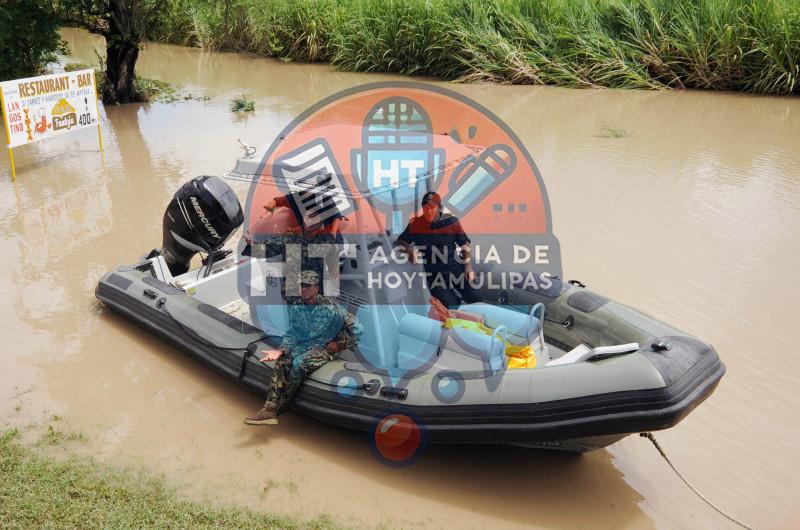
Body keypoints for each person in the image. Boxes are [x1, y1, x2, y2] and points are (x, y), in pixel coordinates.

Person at [244, 270, 362, 426]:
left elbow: (358, 328)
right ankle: (269, 408)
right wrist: (282, 349)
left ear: (316, 288)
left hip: (326, 347)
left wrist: (340, 345)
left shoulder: (330, 307)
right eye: (301, 286)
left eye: (307, 286)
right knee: (282, 360)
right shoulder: (298, 306)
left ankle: (285, 402)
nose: (303, 289)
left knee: (299, 363)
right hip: (306, 343)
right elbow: (293, 332)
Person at [396, 191, 482, 308]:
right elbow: (401, 241)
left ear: (440, 208)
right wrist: (409, 252)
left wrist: (468, 267)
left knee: (476, 296)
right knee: (451, 304)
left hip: (454, 267)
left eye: (432, 208)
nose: (429, 211)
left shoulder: (452, 222)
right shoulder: (416, 224)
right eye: (425, 208)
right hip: (434, 273)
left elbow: (464, 243)